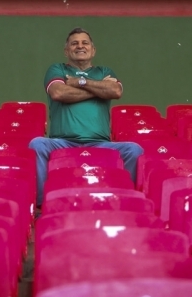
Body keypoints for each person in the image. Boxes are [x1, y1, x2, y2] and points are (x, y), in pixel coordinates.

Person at [28, 28, 143, 205]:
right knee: (37, 144)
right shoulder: (57, 69)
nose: (80, 46)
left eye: (85, 43)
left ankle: (126, 203)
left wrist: (79, 82)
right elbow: (58, 93)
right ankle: (43, 205)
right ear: (66, 51)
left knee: (133, 150)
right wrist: (99, 90)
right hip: (62, 142)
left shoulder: (104, 71)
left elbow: (115, 90)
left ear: (93, 50)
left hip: (100, 143)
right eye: (74, 43)